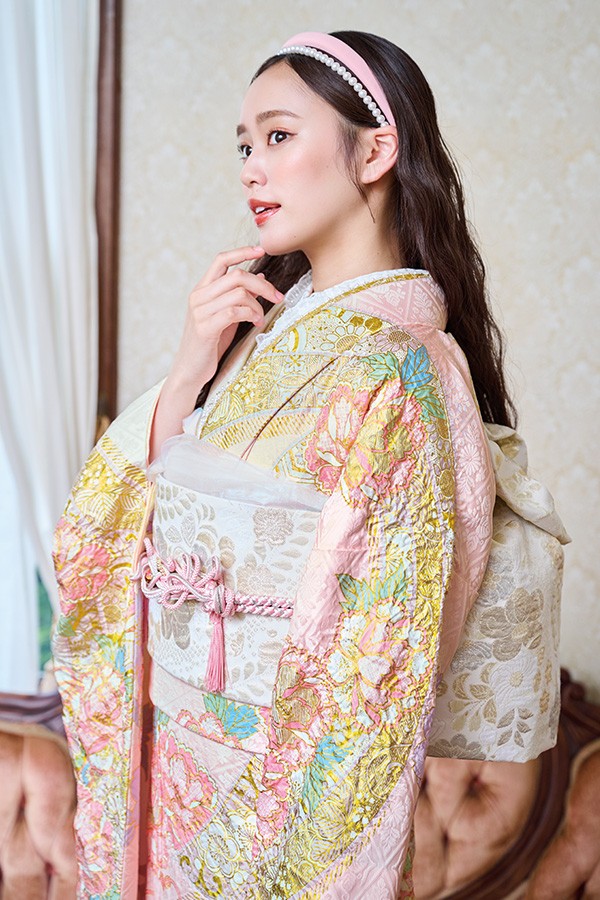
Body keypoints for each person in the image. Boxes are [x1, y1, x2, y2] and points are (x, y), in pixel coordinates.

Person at [53, 30, 518, 898]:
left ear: (375, 151)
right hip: (170, 755)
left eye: (277, 135)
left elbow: (375, 657)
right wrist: (189, 369)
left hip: (272, 790)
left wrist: (262, 841)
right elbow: (126, 529)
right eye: (244, 145)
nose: (251, 169)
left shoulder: (403, 367)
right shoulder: (255, 334)